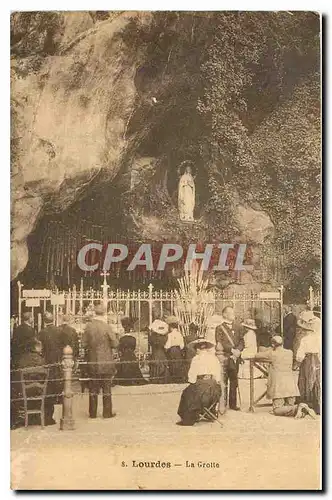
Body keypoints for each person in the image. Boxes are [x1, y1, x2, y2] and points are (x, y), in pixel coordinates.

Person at [253, 335, 315, 418]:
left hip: (279, 388)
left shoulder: (272, 353)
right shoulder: (290, 352)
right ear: (282, 344)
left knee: (277, 410)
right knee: (288, 407)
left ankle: (298, 407)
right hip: (291, 388)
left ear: (272, 345)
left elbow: (256, 356)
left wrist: (269, 349)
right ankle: (299, 409)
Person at [82, 302, 119, 419]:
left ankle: (92, 413)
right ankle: (107, 413)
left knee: (93, 388)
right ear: (104, 313)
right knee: (107, 388)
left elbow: (83, 344)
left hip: (93, 361)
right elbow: (115, 343)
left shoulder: (88, 327)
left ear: (94, 313)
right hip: (106, 361)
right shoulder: (106, 326)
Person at [177, 338, 221, 426]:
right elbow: (218, 377)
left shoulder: (196, 359)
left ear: (198, 349)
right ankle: (210, 411)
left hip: (202, 390)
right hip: (214, 391)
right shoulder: (214, 358)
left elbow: (191, 378)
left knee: (186, 393)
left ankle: (189, 418)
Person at [215, 306, 243, 412]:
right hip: (225, 357)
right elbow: (220, 342)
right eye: (230, 312)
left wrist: (238, 351)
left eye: (233, 312)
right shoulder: (219, 328)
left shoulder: (239, 327)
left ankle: (233, 404)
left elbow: (241, 341)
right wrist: (232, 351)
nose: (233, 314)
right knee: (224, 381)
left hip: (235, 357)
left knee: (234, 380)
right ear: (224, 314)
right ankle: (223, 404)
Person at [38, 312, 63, 424]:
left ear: (44, 321)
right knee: (56, 387)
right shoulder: (59, 331)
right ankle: (55, 413)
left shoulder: (41, 333)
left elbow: (39, 349)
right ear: (53, 319)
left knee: (47, 389)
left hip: (46, 363)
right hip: (57, 363)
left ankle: (47, 416)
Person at [296, 311, 321, 415]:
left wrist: (298, 362)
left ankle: (306, 404)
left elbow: (300, 355)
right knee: (316, 382)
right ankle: (317, 405)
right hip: (316, 360)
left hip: (307, 360)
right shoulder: (319, 338)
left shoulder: (304, 339)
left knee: (305, 381)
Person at [149, 320, 170, 384]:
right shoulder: (164, 337)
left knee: (155, 365)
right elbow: (166, 346)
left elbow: (150, 343)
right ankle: (163, 379)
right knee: (163, 365)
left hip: (155, 353)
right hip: (162, 353)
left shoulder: (152, 337)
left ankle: (155, 379)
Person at [165, 316, 185, 383]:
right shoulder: (180, 334)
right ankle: (178, 377)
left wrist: (166, 349)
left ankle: (173, 378)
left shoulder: (169, 335)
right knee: (178, 363)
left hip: (172, 350)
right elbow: (182, 345)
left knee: (172, 363)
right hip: (178, 350)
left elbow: (167, 345)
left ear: (171, 327)